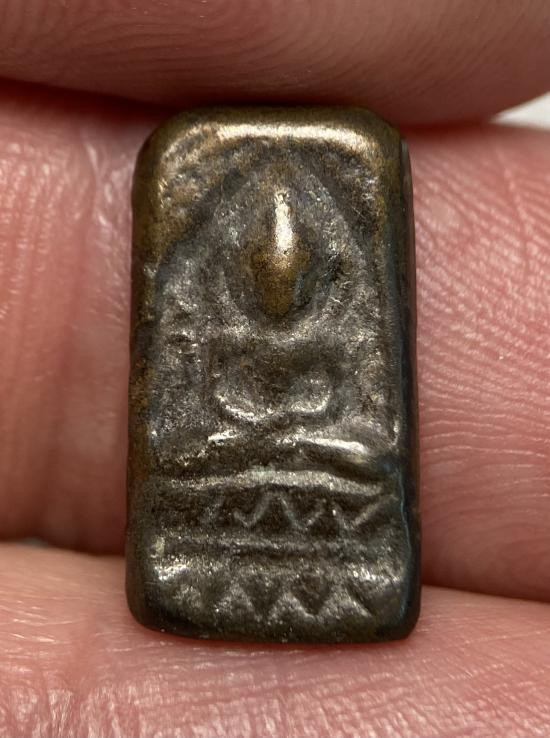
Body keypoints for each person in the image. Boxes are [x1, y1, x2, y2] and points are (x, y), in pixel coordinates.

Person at [0, 1, 549, 735]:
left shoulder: (338, 328)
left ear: (322, 273)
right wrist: (237, 436)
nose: (279, 287)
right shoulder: (214, 326)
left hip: (319, 481)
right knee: (191, 470)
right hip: (227, 478)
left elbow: (375, 433)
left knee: (363, 471)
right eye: (263, 270)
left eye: (294, 274)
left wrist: (313, 439)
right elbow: (171, 430)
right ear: (234, 268)